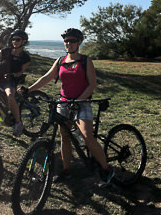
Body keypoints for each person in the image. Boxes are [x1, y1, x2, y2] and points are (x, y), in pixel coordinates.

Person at [21, 28, 114, 184]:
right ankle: (66, 170)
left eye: (72, 41)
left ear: (79, 42)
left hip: (82, 102)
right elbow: (46, 78)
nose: (68, 43)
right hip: (63, 102)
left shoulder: (86, 60)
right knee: (64, 136)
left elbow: (92, 85)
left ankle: (106, 169)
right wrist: (29, 89)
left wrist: (78, 101)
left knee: (87, 135)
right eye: (66, 41)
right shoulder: (60, 61)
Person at [0, 29, 31, 136]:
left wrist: (13, 75)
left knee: (10, 96)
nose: (15, 41)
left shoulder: (25, 57)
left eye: (18, 39)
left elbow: (21, 72)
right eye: (13, 39)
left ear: (23, 41)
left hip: (10, 81)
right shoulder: (5, 51)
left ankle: (18, 123)